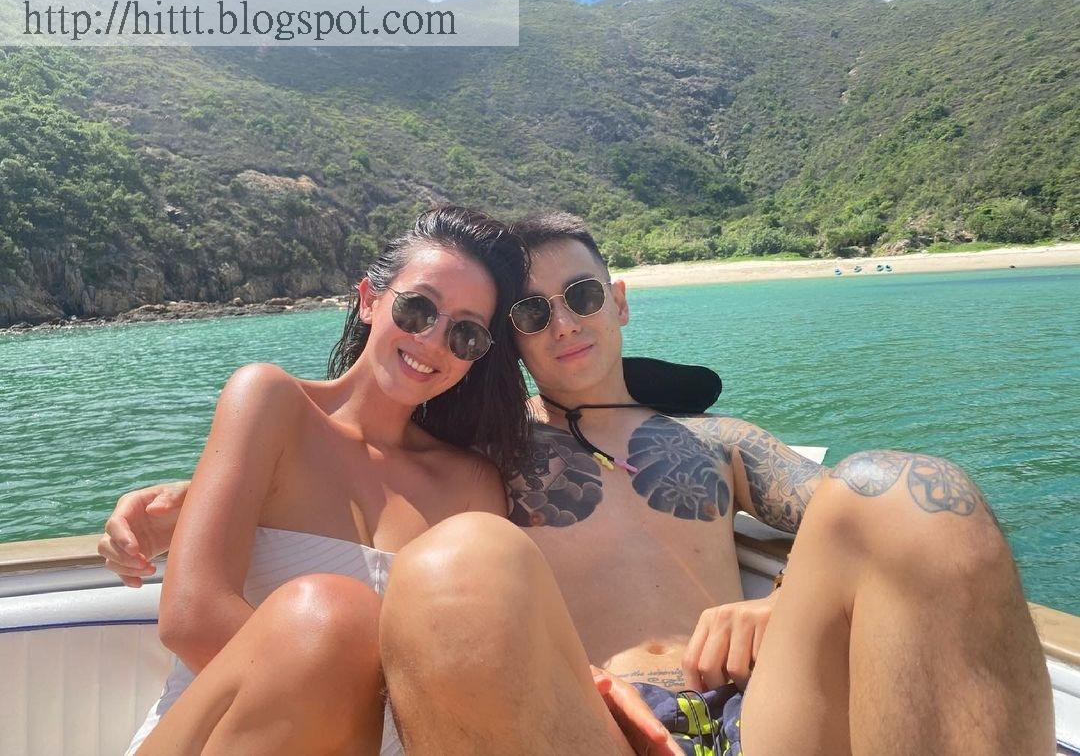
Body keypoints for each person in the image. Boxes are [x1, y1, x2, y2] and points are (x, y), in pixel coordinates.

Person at [104, 212, 1055, 755]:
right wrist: (186, 500)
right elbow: (350, 478)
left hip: (769, 713)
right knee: (458, 562)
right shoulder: (494, 457)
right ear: (507, 347)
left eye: (583, 296)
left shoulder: (718, 442)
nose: (562, 322)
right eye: (529, 314)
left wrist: (781, 602)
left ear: (621, 302)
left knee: (911, 487)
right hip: (596, 726)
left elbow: (860, 528)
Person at [118, 206, 535, 755]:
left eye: (466, 334)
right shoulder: (272, 402)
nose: (434, 340)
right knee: (330, 611)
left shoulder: (472, 486)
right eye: (417, 308)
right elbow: (193, 618)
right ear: (369, 300)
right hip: (213, 739)